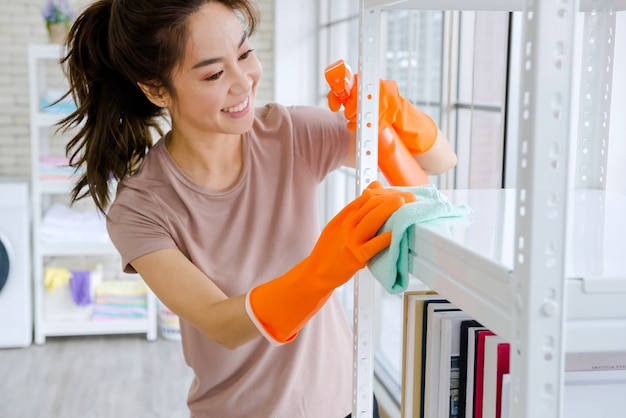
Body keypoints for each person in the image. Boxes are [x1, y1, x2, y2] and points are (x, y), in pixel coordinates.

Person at [59, 0, 457, 416]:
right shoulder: (141, 208)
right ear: (156, 89)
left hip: (349, 403)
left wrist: (399, 116)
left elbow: (440, 161)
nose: (244, 80)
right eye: (214, 73)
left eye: (245, 53)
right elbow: (222, 324)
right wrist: (326, 265)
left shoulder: (288, 134)